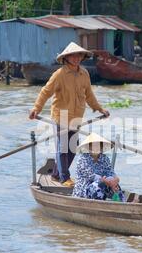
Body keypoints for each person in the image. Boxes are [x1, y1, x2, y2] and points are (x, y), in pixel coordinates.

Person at [29, 42, 110, 188]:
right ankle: (64, 177)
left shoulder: (84, 73)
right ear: (66, 58)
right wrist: (36, 108)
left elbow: (89, 95)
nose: (76, 58)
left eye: (78, 55)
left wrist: (100, 109)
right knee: (63, 147)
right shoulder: (59, 75)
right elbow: (45, 92)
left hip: (77, 116)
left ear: (82, 57)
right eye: (72, 56)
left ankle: (55, 174)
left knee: (73, 148)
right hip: (61, 115)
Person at [72, 133, 125, 202]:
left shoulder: (104, 158)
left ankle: (122, 202)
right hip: (84, 190)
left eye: (98, 145)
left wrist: (115, 179)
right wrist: (105, 181)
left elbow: (110, 172)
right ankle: (98, 205)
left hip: (104, 183)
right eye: (93, 146)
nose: (96, 148)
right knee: (98, 184)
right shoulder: (82, 159)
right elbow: (91, 176)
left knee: (115, 184)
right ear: (89, 147)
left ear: (101, 147)